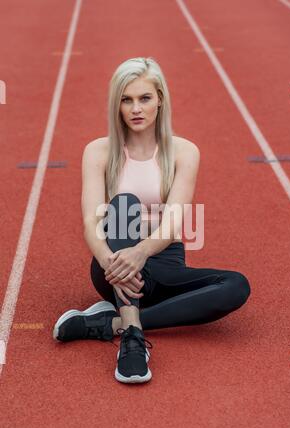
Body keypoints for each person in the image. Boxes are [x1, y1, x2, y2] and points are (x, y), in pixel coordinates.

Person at [53, 57, 251, 385]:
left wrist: (142, 252)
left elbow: (174, 221)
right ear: (116, 104)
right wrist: (110, 263)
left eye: (144, 98)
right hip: (112, 267)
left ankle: (109, 324)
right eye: (126, 99)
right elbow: (91, 220)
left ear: (160, 98)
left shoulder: (184, 152)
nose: (136, 108)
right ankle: (131, 338)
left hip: (164, 265)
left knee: (236, 286)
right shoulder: (99, 152)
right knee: (124, 205)